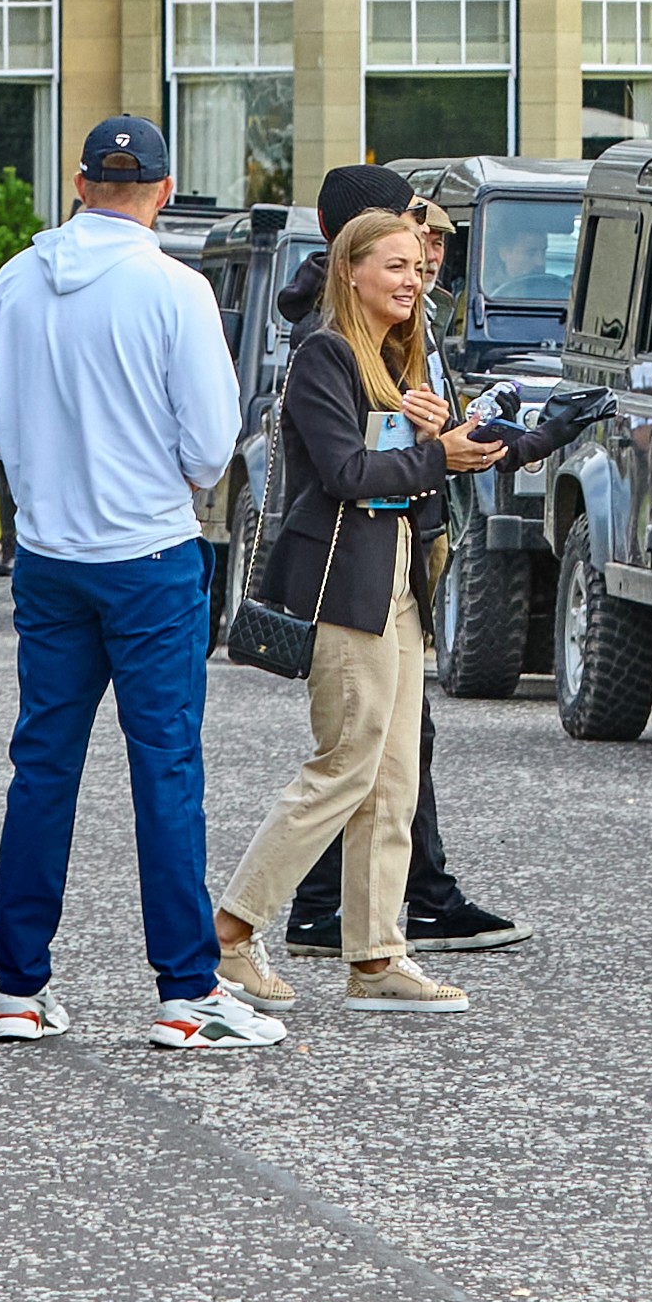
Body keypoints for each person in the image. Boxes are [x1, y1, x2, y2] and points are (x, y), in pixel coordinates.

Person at [0, 113, 280, 1053]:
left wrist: (45, 455)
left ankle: (21, 985)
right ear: (164, 190)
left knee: (42, 765)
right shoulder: (174, 288)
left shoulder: (19, 276)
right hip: (146, 552)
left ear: (81, 180)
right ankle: (185, 990)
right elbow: (210, 446)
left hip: (51, 555)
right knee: (165, 767)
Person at [207, 208, 512, 1014]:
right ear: (349, 270)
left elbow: (412, 469)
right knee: (345, 763)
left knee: (393, 779)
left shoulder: (387, 360)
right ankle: (230, 931)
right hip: (344, 584)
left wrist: (499, 441)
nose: (414, 279)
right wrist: (431, 452)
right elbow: (344, 471)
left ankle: (376, 956)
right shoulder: (324, 354)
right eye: (395, 265)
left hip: (397, 583)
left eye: (419, 266)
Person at [274, 163, 531, 961]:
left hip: (395, 554)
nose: (419, 256)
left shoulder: (385, 318)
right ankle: (263, 916)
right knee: (359, 753)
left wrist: (459, 440)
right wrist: (435, 449)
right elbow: (350, 468)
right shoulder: (332, 338)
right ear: (352, 245)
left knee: (384, 753)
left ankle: (376, 924)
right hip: (354, 565)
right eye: (399, 240)